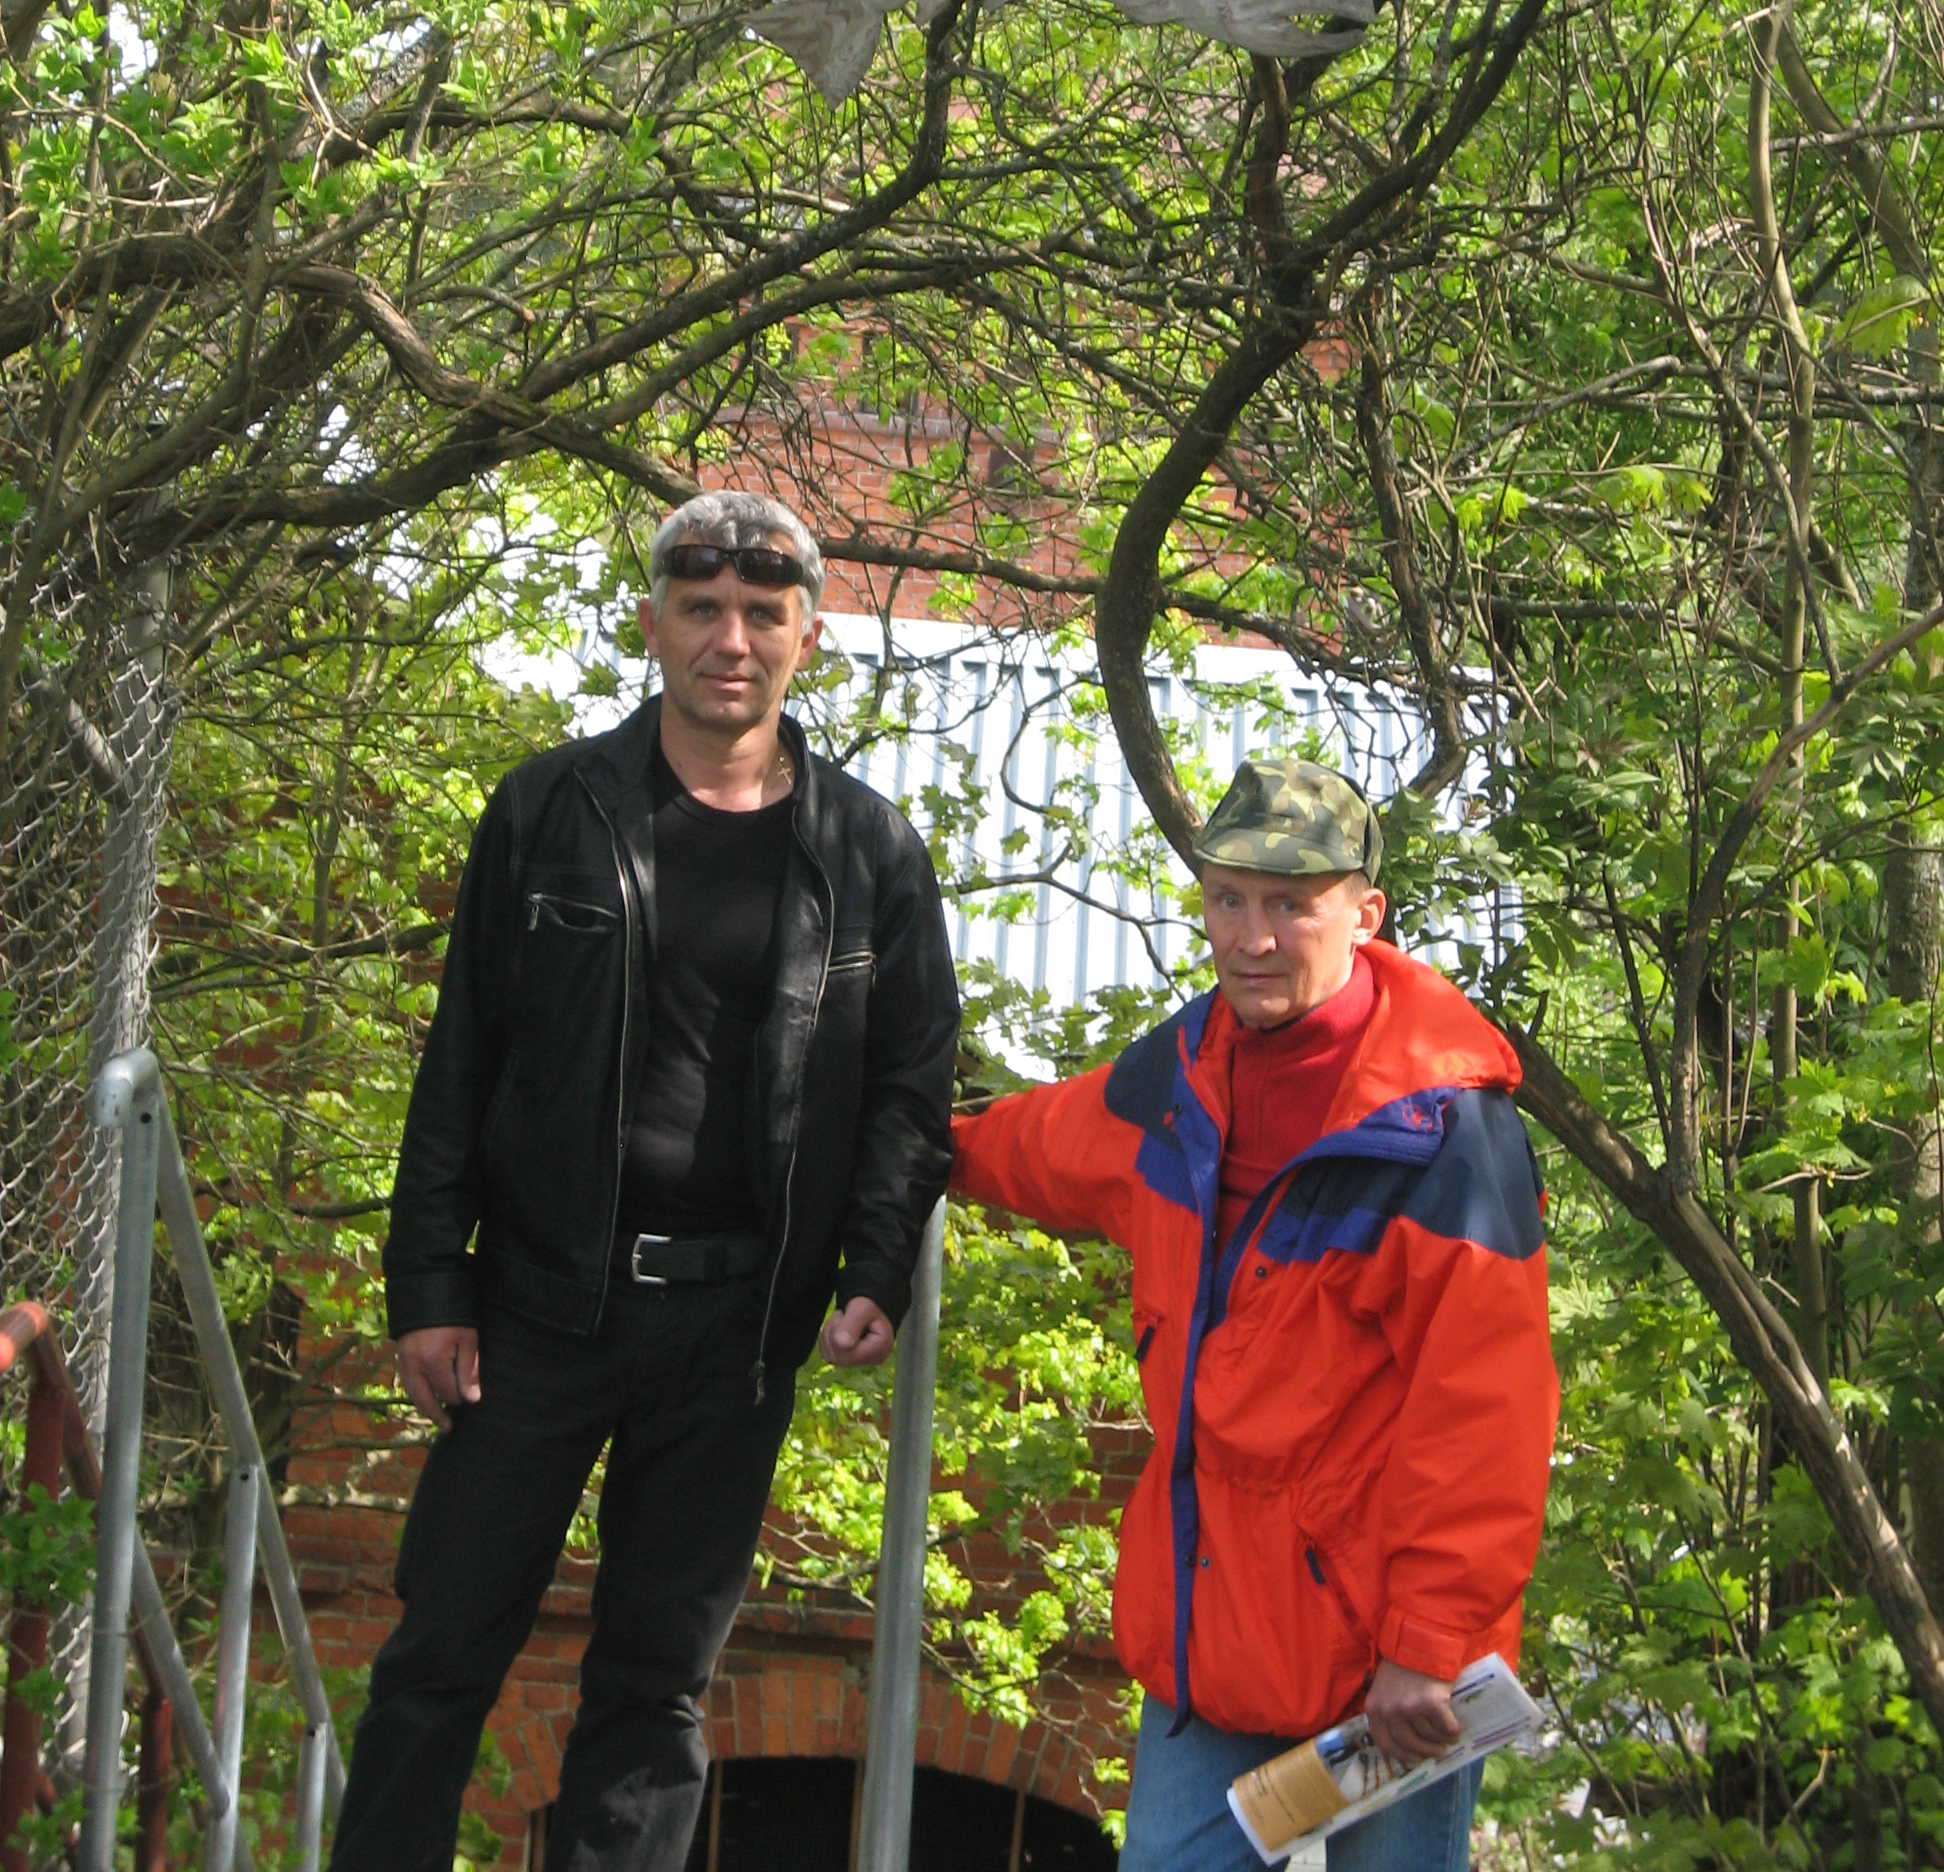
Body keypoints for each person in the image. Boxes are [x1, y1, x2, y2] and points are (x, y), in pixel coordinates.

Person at [331, 492, 961, 1872]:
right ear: (652, 624)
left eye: (762, 615)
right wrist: (428, 1286)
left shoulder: (870, 852)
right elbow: (463, 1059)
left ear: (807, 638)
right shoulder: (549, 810)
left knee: (655, 1685)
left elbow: (914, 1088)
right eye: (701, 610)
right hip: (537, 1311)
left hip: (735, 1331)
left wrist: (874, 1261)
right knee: (439, 1652)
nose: (731, 640)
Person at [952, 758, 1557, 1872]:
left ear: (1366, 915)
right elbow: (1036, 1145)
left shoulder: (1446, 1134)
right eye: (1228, 899)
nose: (1252, 938)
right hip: (1214, 1633)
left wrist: (1427, 1643)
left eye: (1290, 905)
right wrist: (911, 1143)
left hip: (1395, 1667)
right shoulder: (1178, 1079)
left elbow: (1487, 1415)